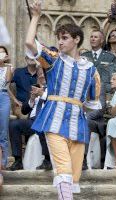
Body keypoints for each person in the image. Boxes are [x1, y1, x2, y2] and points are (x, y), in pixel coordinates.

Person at [25, 1, 101, 199]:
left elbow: (92, 102)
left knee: (74, 176)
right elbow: (30, 44)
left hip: (78, 125)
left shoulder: (91, 70)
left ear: (77, 40)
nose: (60, 42)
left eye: (64, 38)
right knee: (64, 171)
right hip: (54, 122)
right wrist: (35, 17)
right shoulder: (53, 59)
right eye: (58, 38)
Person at [8, 77, 52, 171]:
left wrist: (42, 94)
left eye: (43, 75)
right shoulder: (36, 90)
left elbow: (55, 103)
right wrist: (32, 99)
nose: (40, 77)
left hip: (46, 121)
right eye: (39, 74)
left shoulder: (54, 89)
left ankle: (47, 161)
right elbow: (24, 111)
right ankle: (18, 160)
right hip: (32, 122)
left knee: (41, 126)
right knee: (14, 124)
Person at [0, 46, 12, 186]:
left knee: (3, 131)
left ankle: (3, 162)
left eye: (2, 52)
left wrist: (6, 64)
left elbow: (7, 81)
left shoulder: (9, 67)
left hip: (3, 96)